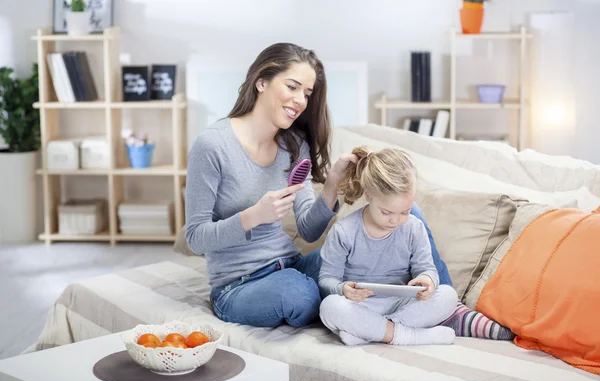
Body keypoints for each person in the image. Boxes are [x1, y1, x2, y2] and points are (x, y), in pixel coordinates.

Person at [185, 42, 457, 331]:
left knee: (406, 210)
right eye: (292, 87)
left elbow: (308, 230)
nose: (300, 100)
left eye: (307, 93)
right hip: (239, 286)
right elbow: (195, 237)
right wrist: (254, 216)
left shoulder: (293, 146)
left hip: (293, 266)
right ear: (261, 81)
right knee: (299, 292)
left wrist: (330, 186)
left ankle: (446, 305)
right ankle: (372, 317)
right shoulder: (213, 145)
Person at [319, 146, 515, 346]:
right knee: (330, 306)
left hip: (403, 306)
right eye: (387, 212)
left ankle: (370, 332)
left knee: (447, 295)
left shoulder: (414, 227)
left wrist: (426, 279)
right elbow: (326, 279)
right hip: (361, 305)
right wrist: (343, 289)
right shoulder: (344, 231)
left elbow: (427, 268)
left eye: (405, 211)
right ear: (368, 195)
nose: (395, 220)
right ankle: (411, 336)